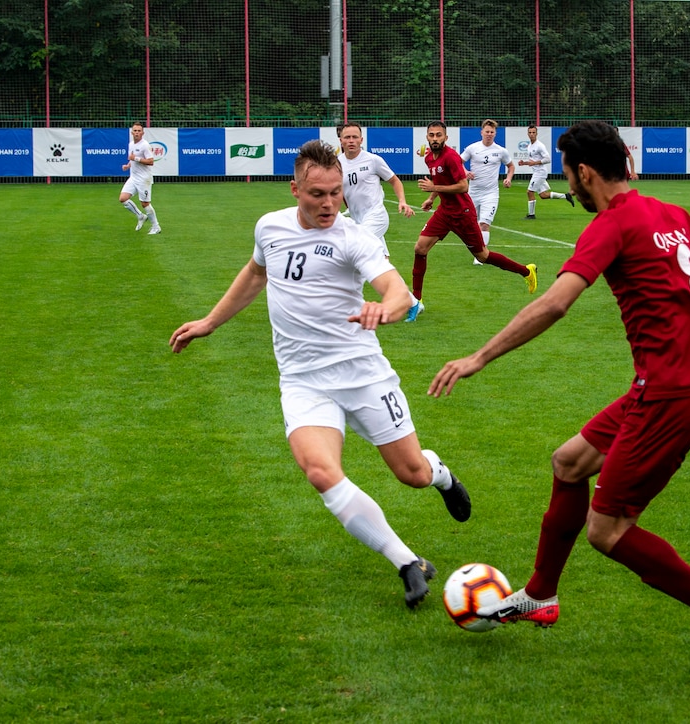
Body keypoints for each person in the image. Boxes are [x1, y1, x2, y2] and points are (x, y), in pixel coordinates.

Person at [429, 120, 690, 681]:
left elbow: (555, 304)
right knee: (569, 462)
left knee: (607, 531)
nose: (568, 185)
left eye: (567, 175)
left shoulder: (612, 224)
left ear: (584, 173)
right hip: (673, 385)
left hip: (672, 396)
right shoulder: (667, 213)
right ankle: (540, 594)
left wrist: (478, 357)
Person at [170, 139, 471, 609]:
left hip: (363, 374)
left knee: (410, 473)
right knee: (320, 471)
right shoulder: (269, 227)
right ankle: (407, 561)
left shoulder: (354, 238)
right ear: (295, 190)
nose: (329, 203)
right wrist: (210, 322)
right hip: (302, 380)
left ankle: (442, 476)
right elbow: (255, 273)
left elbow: (398, 293)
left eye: (336, 193)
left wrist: (385, 311)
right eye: (317, 194)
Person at [408, 122, 538, 322]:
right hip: (444, 213)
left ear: (446, 138)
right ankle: (416, 301)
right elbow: (441, 183)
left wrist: (435, 189)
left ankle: (526, 271)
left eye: (439, 135)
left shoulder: (451, 157)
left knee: (483, 256)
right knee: (420, 248)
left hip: (463, 214)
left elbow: (463, 186)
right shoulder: (429, 158)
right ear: (427, 137)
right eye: (432, 135)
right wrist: (431, 199)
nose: (435, 138)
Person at [336, 123, 421, 308]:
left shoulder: (373, 160)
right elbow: (338, 191)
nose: (351, 141)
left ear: (361, 140)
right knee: (381, 263)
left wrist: (402, 201)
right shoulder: (337, 164)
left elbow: (394, 180)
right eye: (347, 137)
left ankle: (345, 301)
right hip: (358, 218)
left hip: (377, 216)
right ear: (341, 140)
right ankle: (413, 303)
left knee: (357, 250)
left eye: (355, 137)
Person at [461, 119, 516, 265]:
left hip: (491, 194)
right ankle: (477, 250)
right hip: (473, 193)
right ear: (482, 132)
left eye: (492, 132)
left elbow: (511, 166)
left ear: (495, 133)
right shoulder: (472, 148)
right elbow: (459, 163)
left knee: (484, 224)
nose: (489, 134)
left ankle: (480, 256)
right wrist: (466, 172)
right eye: (487, 132)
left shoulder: (500, 151)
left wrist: (508, 178)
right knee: (470, 224)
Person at [521, 125, 574, 219]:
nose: (532, 134)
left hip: (540, 172)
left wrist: (535, 162)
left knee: (529, 192)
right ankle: (566, 196)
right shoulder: (529, 146)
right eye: (530, 132)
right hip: (537, 172)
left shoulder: (540, 146)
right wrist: (524, 163)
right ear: (527, 134)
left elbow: (548, 159)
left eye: (533, 132)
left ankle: (531, 215)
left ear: (537, 133)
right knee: (543, 195)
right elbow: (533, 161)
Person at [119, 122, 161, 235]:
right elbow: (132, 159)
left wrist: (136, 158)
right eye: (135, 131)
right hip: (133, 177)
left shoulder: (145, 145)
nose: (137, 133)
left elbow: (151, 161)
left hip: (144, 178)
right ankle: (140, 216)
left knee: (145, 204)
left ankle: (156, 226)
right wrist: (128, 165)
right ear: (132, 132)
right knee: (123, 198)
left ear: (142, 133)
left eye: (139, 131)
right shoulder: (131, 144)